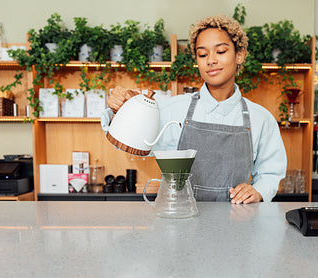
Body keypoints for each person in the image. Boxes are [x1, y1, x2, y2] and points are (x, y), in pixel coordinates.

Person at [104, 15, 287, 203]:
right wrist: (120, 109)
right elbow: (134, 139)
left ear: (240, 55)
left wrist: (258, 192)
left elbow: (270, 172)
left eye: (221, 51)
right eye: (202, 54)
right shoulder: (173, 109)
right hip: (179, 223)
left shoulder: (261, 119)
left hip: (237, 224)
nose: (211, 60)